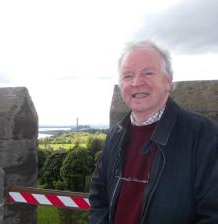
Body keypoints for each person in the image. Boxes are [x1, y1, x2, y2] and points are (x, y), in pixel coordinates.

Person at [89, 40, 218, 224]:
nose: (136, 82)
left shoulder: (204, 136)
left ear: (167, 81)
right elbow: (98, 196)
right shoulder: (115, 136)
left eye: (147, 73)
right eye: (128, 76)